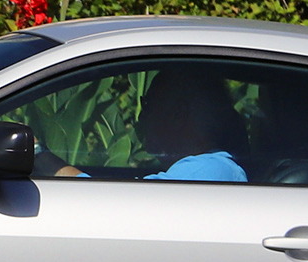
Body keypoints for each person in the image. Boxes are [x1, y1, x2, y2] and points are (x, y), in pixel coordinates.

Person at [46, 67, 247, 180]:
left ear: (178, 115)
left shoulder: (207, 171)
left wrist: (40, 156)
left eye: (148, 104)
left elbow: (116, 208)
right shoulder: (207, 168)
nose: (142, 118)